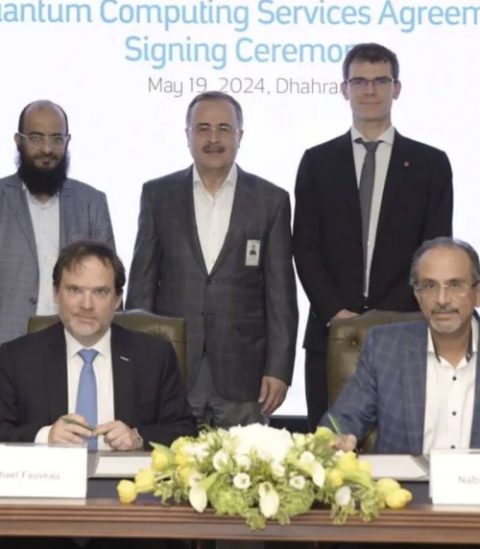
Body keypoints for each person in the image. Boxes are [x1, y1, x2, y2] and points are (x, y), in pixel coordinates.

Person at [293, 42, 453, 430]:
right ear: (343, 89)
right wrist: (337, 312)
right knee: (326, 448)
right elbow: (305, 247)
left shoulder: (431, 164)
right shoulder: (317, 161)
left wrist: (388, 317)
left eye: (380, 80)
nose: (369, 90)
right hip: (331, 333)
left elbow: (434, 251)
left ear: (397, 88)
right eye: (359, 81)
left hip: (406, 332)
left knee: (403, 444)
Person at [126, 91, 298, 428]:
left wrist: (278, 368)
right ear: (187, 135)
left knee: (244, 462)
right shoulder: (158, 195)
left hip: (245, 373)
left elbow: (280, 295)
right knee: (168, 460)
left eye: (224, 128)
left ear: (240, 136)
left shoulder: (271, 200)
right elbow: (141, 287)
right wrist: (138, 363)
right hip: (172, 368)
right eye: (203, 128)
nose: (213, 139)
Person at [0, 240, 197, 448]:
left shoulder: (154, 356)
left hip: (127, 470)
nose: (86, 305)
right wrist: (45, 436)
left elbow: (184, 429)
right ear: (56, 294)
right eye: (74, 290)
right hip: (48, 470)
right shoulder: (16, 358)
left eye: (100, 292)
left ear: (117, 299)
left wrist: (138, 437)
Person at [321, 237, 480, 454]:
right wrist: (335, 438)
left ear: (477, 293)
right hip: (401, 477)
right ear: (417, 294)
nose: (442, 299)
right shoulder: (385, 347)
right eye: (429, 286)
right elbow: (343, 419)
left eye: (455, 285)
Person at [0, 99, 115, 345]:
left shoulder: (92, 202)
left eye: (56, 139)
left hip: (76, 344)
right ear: (18, 141)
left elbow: (110, 282)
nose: (47, 149)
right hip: (7, 343)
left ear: (67, 141)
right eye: (36, 138)